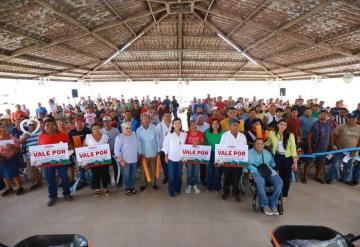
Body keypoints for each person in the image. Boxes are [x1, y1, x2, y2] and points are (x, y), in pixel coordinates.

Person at [38, 119, 73, 206]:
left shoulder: (62, 134)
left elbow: (70, 145)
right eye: (47, 125)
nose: (49, 126)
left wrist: (67, 148)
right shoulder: (41, 136)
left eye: (51, 124)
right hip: (47, 163)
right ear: (44, 127)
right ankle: (52, 197)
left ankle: (67, 194)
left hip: (61, 161)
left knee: (65, 178)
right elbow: (39, 150)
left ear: (55, 125)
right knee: (50, 180)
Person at [246, 139, 283, 216]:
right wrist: (247, 172)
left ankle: (273, 203)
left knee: (279, 182)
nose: (260, 145)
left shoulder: (267, 153)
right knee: (260, 182)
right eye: (257, 143)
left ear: (263, 145)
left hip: (268, 171)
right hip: (255, 171)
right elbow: (244, 164)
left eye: (261, 144)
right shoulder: (248, 153)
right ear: (254, 145)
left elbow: (272, 164)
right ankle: (264, 204)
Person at [265, 119, 297, 199]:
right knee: (273, 173)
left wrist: (295, 162)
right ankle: (273, 189)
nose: (283, 126)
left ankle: (284, 194)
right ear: (278, 125)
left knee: (286, 177)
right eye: (281, 124)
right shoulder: (272, 133)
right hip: (277, 156)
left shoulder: (290, 135)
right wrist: (259, 145)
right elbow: (268, 142)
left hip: (287, 158)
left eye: (285, 125)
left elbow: (293, 149)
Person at [327, 113, 360, 185]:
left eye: (353, 118)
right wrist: (338, 146)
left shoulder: (359, 128)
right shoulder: (341, 126)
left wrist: (355, 150)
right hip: (340, 150)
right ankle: (332, 178)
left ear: (356, 119)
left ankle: (347, 179)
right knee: (336, 164)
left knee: (349, 165)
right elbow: (334, 136)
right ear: (347, 118)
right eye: (349, 118)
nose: (351, 119)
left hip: (352, 151)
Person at [219, 118, 247, 202]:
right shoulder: (225, 135)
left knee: (236, 178)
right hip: (227, 161)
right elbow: (221, 148)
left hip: (238, 161)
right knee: (227, 177)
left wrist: (244, 161)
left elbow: (244, 149)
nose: (235, 127)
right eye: (233, 125)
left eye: (237, 125)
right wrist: (220, 160)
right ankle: (226, 192)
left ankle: (236, 193)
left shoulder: (242, 136)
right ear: (230, 126)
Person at [303, 110, 333, 184]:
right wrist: (309, 148)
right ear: (318, 115)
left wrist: (331, 145)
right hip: (314, 148)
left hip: (324, 148)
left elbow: (331, 136)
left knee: (320, 163)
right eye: (321, 114)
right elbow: (309, 137)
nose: (323, 116)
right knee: (309, 162)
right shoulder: (314, 124)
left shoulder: (329, 125)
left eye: (325, 114)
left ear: (327, 116)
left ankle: (317, 176)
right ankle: (305, 176)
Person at [136, 113, 161, 191]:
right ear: (142, 120)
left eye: (147, 119)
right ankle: (143, 184)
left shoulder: (154, 128)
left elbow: (158, 140)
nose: (146, 120)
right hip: (144, 153)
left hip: (154, 152)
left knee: (153, 168)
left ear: (150, 120)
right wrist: (140, 152)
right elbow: (138, 142)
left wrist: (158, 150)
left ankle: (153, 183)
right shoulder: (139, 130)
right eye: (144, 119)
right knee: (143, 169)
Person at [162, 118, 187, 197]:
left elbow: (186, 146)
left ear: (181, 124)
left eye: (179, 123)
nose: (177, 125)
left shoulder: (184, 134)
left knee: (179, 175)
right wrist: (166, 156)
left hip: (180, 158)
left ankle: (177, 188)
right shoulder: (169, 134)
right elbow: (165, 146)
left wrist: (185, 157)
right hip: (171, 158)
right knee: (171, 175)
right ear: (173, 125)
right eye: (175, 123)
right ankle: (171, 190)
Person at [85, 123, 110, 196]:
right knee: (95, 174)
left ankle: (105, 188)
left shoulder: (105, 136)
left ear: (100, 129)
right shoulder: (88, 136)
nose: (96, 130)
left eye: (97, 128)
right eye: (94, 129)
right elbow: (84, 147)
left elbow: (108, 146)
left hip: (104, 159)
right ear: (91, 130)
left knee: (104, 173)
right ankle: (97, 188)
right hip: (93, 160)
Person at [114, 122, 139, 195]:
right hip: (125, 160)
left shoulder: (134, 134)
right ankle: (127, 188)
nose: (128, 129)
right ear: (122, 129)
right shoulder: (119, 137)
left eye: (130, 128)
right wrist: (121, 160)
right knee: (126, 175)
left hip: (134, 159)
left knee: (133, 175)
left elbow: (136, 145)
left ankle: (132, 187)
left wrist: (137, 154)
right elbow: (117, 150)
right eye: (126, 128)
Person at [0, 126, 25, 197]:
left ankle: (20, 187)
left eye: (4, 131)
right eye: (1, 131)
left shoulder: (12, 139)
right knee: (3, 174)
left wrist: (13, 147)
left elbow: (20, 149)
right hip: (1, 159)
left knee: (14, 173)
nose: (2, 133)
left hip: (12, 158)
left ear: (7, 131)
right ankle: (9, 188)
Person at [68, 117, 91, 188]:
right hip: (77, 153)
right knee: (81, 167)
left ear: (84, 124)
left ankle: (94, 179)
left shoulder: (88, 131)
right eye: (77, 123)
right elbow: (69, 143)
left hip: (88, 152)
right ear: (75, 124)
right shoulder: (71, 133)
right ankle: (82, 181)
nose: (79, 124)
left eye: (81, 123)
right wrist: (72, 148)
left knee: (91, 166)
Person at [20, 120, 43, 190]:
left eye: (33, 124)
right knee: (32, 170)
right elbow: (20, 143)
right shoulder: (24, 134)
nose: (31, 126)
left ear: (36, 125)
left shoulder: (40, 133)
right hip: (29, 154)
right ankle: (37, 181)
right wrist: (24, 138)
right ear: (28, 126)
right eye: (30, 125)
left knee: (45, 168)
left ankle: (39, 180)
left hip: (40, 153)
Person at [204, 119, 223, 192]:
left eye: (216, 123)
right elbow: (204, 141)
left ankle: (217, 187)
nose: (215, 125)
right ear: (211, 125)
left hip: (219, 154)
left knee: (217, 171)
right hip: (210, 153)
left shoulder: (223, 133)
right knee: (210, 170)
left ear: (219, 125)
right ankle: (209, 186)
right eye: (213, 124)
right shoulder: (207, 132)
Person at [185, 120, 204, 194]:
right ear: (189, 127)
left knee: (196, 171)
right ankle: (189, 184)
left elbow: (203, 143)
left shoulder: (200, 133)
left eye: (195, 124)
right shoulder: (186, 133)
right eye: (192, 125)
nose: (194, 126)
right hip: (188, 157)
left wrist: (198, 143)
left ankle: (195, 184)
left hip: (197, 157)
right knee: (189, 171)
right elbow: (183, 144)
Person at [101, 116, 121, 187]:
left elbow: (120, 141)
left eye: (108, 121)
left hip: (115, 152)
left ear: (111, 122)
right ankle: (107, 181)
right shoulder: (101, 131)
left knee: (117, 167)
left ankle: (118, 181)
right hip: (105, 154)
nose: (107, 123)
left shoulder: (116, 130)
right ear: (103, 123)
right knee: (105, 168)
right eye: (105, 122)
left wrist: (118, 152)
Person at [157, 112, 172, 184]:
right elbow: (157, 137)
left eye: (169, 116)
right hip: (163, 148)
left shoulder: (174, 124)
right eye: (166, 116)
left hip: (173, 148)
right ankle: (166, 176)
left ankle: (172, 175)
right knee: (164, 164)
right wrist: (158, 149)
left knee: (172, 162)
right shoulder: (159, 125)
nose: (168, 117)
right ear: (163, 117)